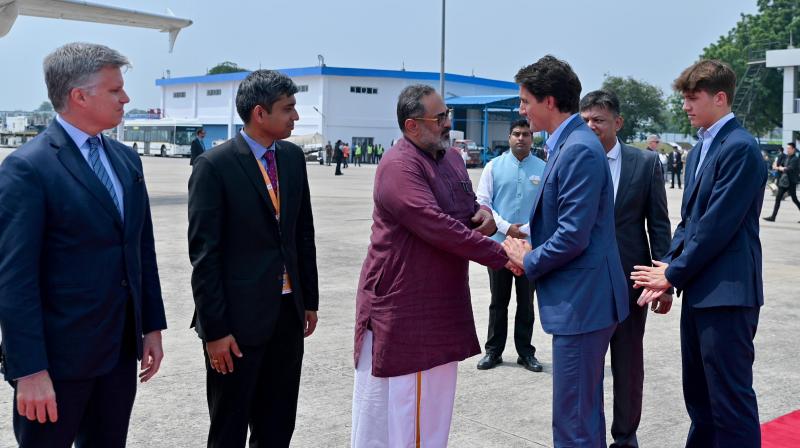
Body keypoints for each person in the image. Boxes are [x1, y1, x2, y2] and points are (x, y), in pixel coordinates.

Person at [0, 42, 167, 448]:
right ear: (79, 96)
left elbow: (140, 248)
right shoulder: (28, 168)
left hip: (117, 354)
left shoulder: (127, 161)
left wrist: (151, 326)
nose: (126, 98)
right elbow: (14, 279)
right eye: (115, 90)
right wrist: (29, 371)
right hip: (57, 364)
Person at [351, 84, 516, 447]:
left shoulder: (452, 158)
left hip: (441, 304)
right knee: (403, 417)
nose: (447, 123)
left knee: (433, 414)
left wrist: (485, 216)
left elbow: (468, 207)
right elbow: (436, 225)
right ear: (412, 126)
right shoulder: (399, 166)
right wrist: (505, 255)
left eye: (447, 115)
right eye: (439, 117)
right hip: (407, 309)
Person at [632, 60, 766, 448]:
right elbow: (689, 221)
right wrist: (669, 266)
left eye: (693, 98)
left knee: (729, 401)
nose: (686, 107)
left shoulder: (740, 148)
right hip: (702, 292)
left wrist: (671, 276)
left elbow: (715, 229)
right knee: (701, 398)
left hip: (728, 294)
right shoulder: (703, 148)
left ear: (720, 98)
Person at [502, 55, 629, 447]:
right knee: (582, 413)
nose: (521, 110)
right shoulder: (568, 144)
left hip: (583, 303)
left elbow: (574, 235)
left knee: (574, 421)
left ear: (550, 102)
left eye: (525, 101)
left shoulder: (577, 148)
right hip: (584, 299)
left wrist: (530, 258)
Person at [188, 69, 319, 448]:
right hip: (236, 325)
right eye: (288, 108)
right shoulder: (214, 166)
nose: (296, 117)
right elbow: (204, 255)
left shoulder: (293, 158)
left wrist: (308, 300)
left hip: (286, 316)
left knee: (277, 426)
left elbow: (301, 235)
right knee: (229, 427)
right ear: (260, 114)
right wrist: (215, 331)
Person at [580, 89, 672, 448]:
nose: (591, 126)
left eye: (598, 120)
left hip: (631, 283)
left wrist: (664, 282)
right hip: (585, 284)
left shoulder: (645, 164)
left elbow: (659, 227)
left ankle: (625, 436)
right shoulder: (573, 159)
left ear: (617, 122)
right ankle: (590, 437)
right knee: (587, 368)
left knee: (628, 365)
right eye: (585, 120)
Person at [475, 119, 546, 373]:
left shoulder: (544, 168)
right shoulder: (493, 167)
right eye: (516, 134)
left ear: (532, 138)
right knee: (498, 300)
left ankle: (525, 352)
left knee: (526, 301)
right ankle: (493, 351)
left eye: (526, 134)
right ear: (509, 137)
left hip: (530, 249)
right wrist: (506, 227)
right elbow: (483, 203)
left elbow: (548, 206)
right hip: (499, 247)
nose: (521, 138)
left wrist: (525, 229)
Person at [764, 142, 800, 222]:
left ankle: (773, 217)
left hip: (791, 182)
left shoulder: (795, 159)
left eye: (789, 148)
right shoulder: (787, 157)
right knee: (778, 198)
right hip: (784, 182)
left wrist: (780, 168)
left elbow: (789, 168)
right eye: (787, 148)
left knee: (795, 199)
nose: (787, 150)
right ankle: (773, 217)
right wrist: (776, 165)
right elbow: (781, 165)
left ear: (793, 149)